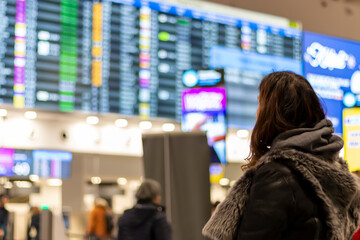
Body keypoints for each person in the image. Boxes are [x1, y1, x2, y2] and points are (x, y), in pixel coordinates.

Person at [202, 71, 360, 240]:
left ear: (270, 113)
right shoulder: (335, 173)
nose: (257, 113)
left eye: (260, 104)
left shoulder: (277, 175)